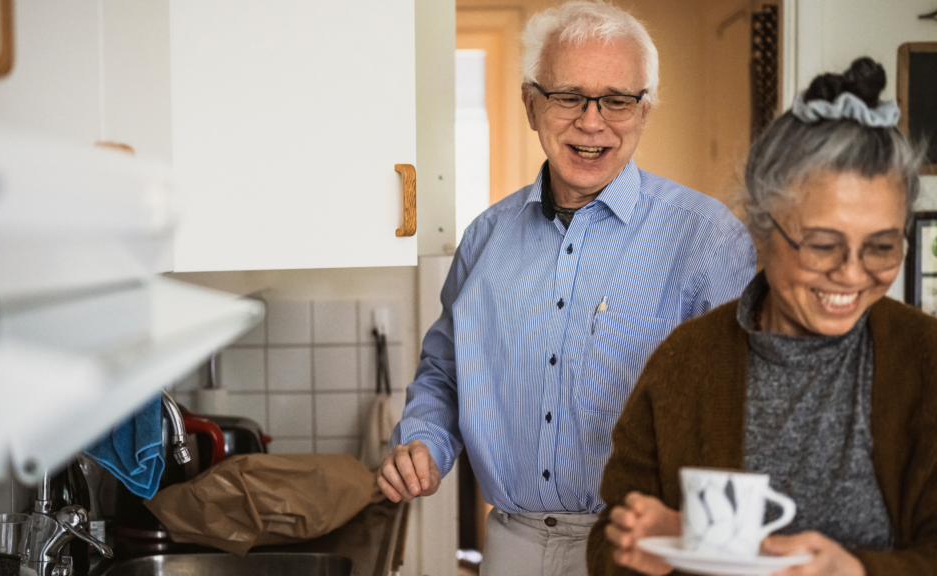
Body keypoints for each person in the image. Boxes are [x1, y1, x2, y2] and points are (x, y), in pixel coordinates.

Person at [377, 1, 757, 574]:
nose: (591, 121)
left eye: (617, 100)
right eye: (569, 96)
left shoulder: (709, 238)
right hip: (511, 543)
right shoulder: (486, 237)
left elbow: (754, 401)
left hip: (643, 548)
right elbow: (446, 373)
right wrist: (425, 441)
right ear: (531, 104)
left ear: (644, 110)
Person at [588, 57, 936, 576]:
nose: (852, 274)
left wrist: (858, 571)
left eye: (882, 247)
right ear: (760, 228)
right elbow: (608, 541)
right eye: (823, 245)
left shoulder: (925, 360)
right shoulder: (688, 359)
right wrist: (651, 549)